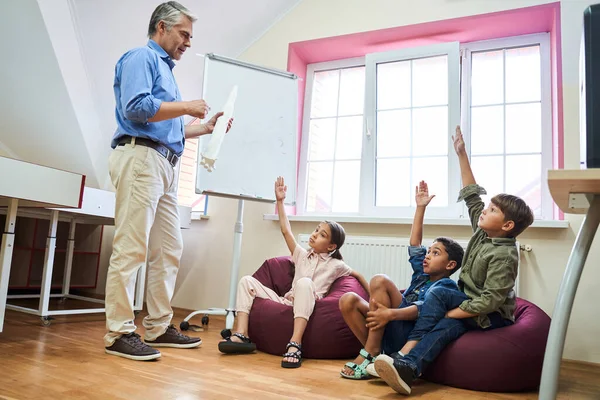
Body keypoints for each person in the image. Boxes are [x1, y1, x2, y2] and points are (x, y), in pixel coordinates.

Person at [104, 1, 232, 361]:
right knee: (132, 248)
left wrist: (204, 128)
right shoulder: (140, 58)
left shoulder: (166, 71)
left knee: (169, 248)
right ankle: (118, 333)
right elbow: (136, 108)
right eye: (184, 34)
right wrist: (188, 106)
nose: (188, 42)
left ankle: (158, 326)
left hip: (163, 163)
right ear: (162, 27)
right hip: (141, 158)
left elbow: (166, 125)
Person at [375, 126, 535, 395]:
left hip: (490, 315)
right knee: (439, 291)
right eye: (489, 206)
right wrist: (461, 153)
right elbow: (473, 195)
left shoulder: (505, 255)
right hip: (466, 298)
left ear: (507, 225)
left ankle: (407, 363)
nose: (485, 210)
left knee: (447, 324)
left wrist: (452, 313)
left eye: (493, 210)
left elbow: (490, 302)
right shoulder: (484, 232)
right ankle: (403, 359)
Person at [218, 176, 370, 368]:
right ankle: (241, 334)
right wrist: (280, 201)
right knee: (246, 281)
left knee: (305, 283)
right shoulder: (301, 255)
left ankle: (295, 343)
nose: (315, 234)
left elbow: (358, 276)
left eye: (322, 234)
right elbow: (286, 231)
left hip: (310, 307)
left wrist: (371, 300)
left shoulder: (336, 265)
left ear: (331, 246)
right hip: (286, 301)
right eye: (316, 230)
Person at [338, 181, 465, 380]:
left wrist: (390, 313)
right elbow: (415, 244)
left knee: (380, 280)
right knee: (348, 300)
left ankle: (369, 353)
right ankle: (377, 355)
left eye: (436, 253)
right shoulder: (421, 275)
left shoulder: (445, 286)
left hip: (408, 337)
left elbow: (424, 309)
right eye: (429, 251)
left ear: (450, 265)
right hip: (388, 330)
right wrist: (420, 208)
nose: (428, 255)